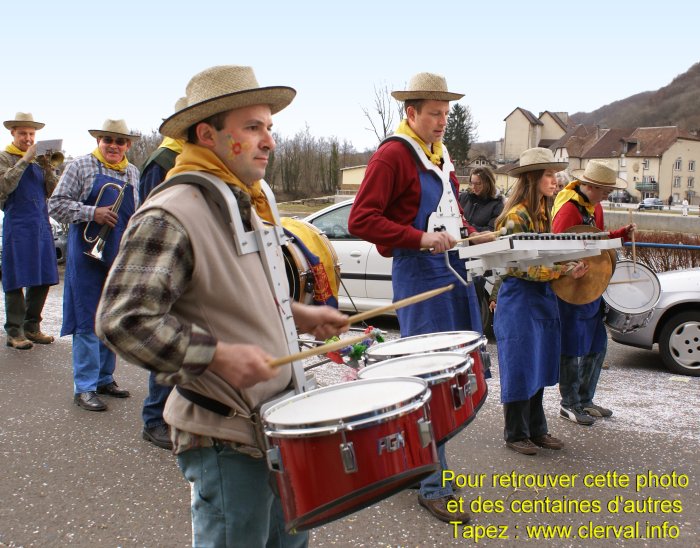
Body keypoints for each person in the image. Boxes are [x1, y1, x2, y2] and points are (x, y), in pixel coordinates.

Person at [96, 65, 349, 547]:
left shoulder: (247, 200)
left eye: (269, 127)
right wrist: (216, 355)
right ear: (207, 134)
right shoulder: (172, 211)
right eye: (252, 127)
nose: (269, 141)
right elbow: (123, 321)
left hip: (279, 423)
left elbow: (242, 296)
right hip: (224, 435)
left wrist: (303, 315)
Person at [348, 72, 487, 524]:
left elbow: (447, 211)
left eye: (446, 114)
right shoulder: (393, 154)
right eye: (434, 113)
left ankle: (421, 467)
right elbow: (361, 220)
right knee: (430, 380)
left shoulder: (440, 155)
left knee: (449, 377)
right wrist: (418, 239)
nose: (442, 121)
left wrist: (469, 233)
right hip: (420, 273)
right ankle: (432, 482)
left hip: (451, 269)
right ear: (411, 113)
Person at [493, 147, 587, 456]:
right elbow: (513, 266)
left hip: (541, 300)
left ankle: (537, 428)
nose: (556, 180)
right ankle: (515, 432)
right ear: (533, 179)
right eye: (549, 174)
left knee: (539, 363)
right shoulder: (515, 216)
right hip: (519, 300)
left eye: (555, 174)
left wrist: (569, 268)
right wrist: (561, 270)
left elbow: (547, 257)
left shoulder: (543, 213)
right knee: (520, 365)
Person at [48, 119, 140, 412]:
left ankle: (104, 378)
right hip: (86, 252)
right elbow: (55, 205)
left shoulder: (132, 171)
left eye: (120, 141)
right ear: (99, 140)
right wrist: (92, 212)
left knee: (111, 319)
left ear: (127, 145)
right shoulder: (81, 166)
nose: (114, 145)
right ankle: (84, 387)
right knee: (87, 319)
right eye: (108, 139)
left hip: (118, 254)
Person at [552, 161, 635, 425]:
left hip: (592, 286)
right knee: (572, 346)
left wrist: (620, 234)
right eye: (605, 190)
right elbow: (555, 250)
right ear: (592, 186)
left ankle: (586, 399)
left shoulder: (594, 207)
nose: (608, 195)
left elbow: (597, 239)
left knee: (597, 345)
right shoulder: (567, 210)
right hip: (572, 289)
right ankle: (569, 403)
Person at [137, 98, 187, 450]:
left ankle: (175, 413)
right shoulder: (163, 161)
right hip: (166, 262)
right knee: (166, 337)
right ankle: (154, 418)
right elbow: (154, 214)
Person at [0, 113, 59, 350]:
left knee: (44, 274)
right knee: (16, 276)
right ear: (13, 133)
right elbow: (4, 186)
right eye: (23, 133)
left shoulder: (41, 160)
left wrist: (48, 169)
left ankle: (32, 326)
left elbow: (52, 191)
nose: (28, 138)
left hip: (41, 222)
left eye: (31, 134)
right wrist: (24, 160)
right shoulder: (4, 157)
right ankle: (14, 331)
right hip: (18, 222)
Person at [458, 166, 503, 232]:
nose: (474, 187)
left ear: (488, 183)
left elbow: (492, 230)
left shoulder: (497, 205)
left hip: (482, 242)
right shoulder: (463, 197)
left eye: (478, 184)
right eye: (472, 183)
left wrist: (468, 229)